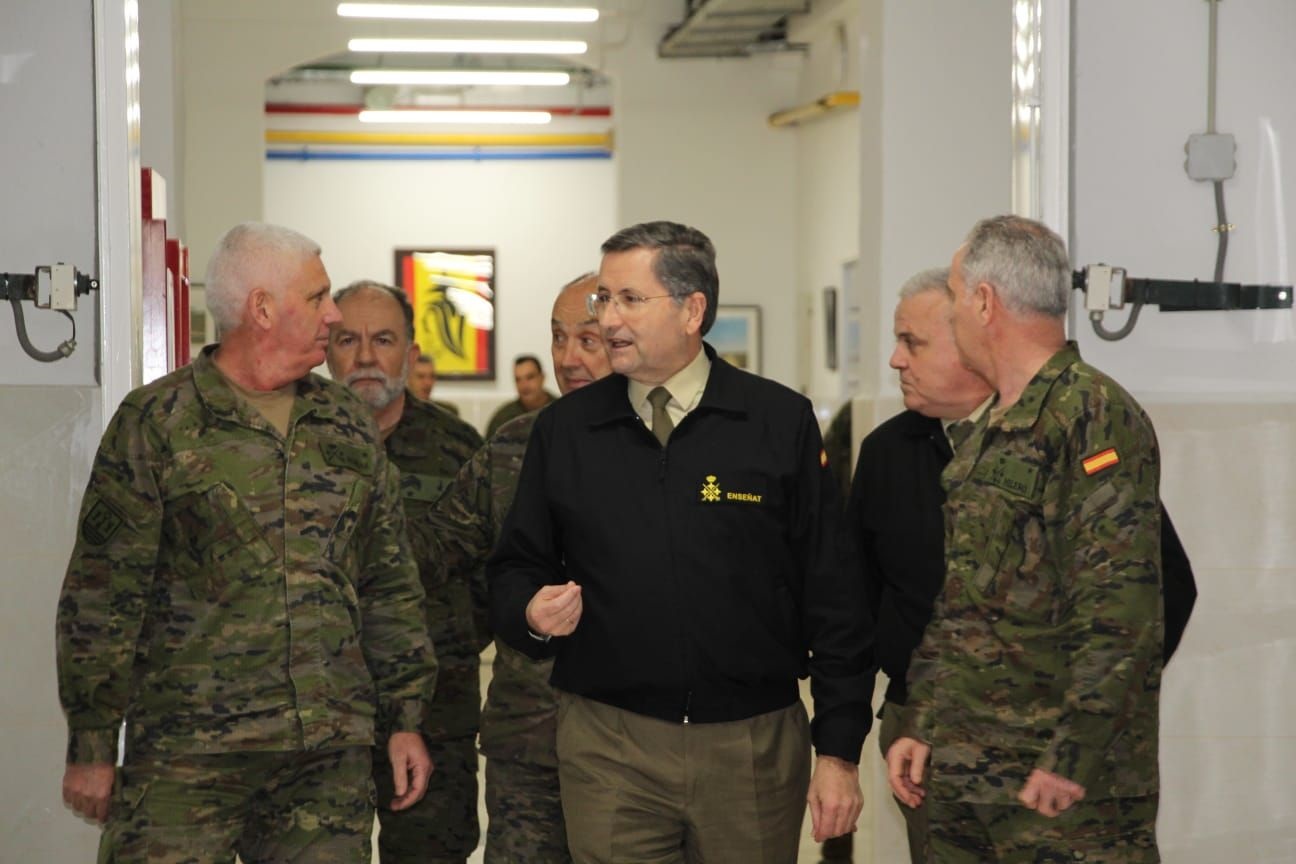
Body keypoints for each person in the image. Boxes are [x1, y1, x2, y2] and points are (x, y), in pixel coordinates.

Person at [488, 221, 874, 864]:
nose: (608, 318)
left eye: (628, 299)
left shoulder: (777, 421)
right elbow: (513, 567)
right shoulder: (566, 431)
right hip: (608, 743)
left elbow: (834, 594)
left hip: (752, 745)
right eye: (603, 299)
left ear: (693, 309)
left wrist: (838, 749)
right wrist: (530, 610)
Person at [56, 222, 435, 862]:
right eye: (317, 298)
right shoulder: (157, 422)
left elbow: (388, 582)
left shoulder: (345, 423)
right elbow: (103, 593)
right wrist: (93, 744)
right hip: (187, 755)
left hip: (324, 757)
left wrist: (404, 719)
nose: (334, 314)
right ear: (262, 309)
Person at [854, 267, 1197, 864]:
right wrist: (921, 714)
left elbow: (1133, 604)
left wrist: (1076, 737)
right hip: (957, 758)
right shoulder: (933, 441)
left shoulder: (1084, 414)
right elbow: (957, 604)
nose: (895, 360)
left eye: (915, 341)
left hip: (1053, 768)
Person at [428, 271, 611, 864]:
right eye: (559, 339)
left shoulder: (671, 449)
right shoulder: (513, 445)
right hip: (529, 739)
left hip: (637, 746)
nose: (568, 358)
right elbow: (435, 554)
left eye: (588, 340)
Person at [326, 280, 485, 864]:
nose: (366, 356)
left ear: (411, 354)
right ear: (325, 348)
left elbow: (492, 579)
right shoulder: (291, 445)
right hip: (318, 715)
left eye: (384, 339)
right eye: (348, 339)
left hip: (434, 714)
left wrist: (446, 646)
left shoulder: (459, 450)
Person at [485, 354, 557, 438]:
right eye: (518, 379)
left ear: (542, 378)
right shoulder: (503, 419)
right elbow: (488, 449)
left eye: (530, 377)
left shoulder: (561, 411)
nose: (524, 385)